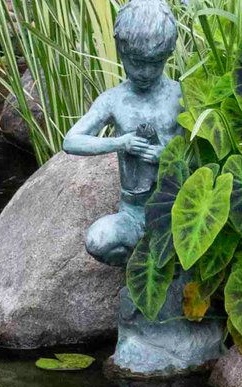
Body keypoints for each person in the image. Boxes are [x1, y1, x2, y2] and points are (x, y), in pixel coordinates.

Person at [61, 0, 183, 268]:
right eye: (137, 62)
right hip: (134, 212)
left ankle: (169, 276)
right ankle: (141, 272)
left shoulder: (180, 95)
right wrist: (121, 142)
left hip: (178, 207)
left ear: (168, 54)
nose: (145, 72)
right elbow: (70, 141)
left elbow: (197, 150)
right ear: (121, 52)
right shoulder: (114, 100)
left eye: (155, 63)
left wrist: (169, 154)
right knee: (99, 240)